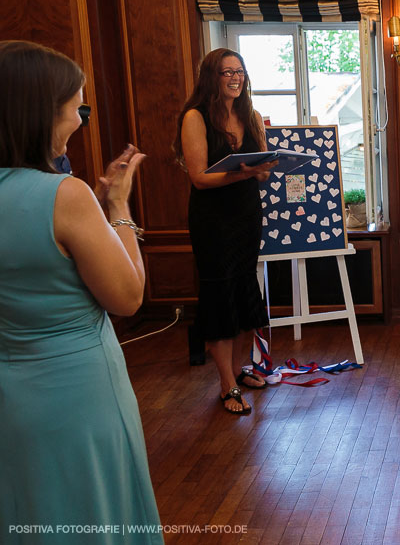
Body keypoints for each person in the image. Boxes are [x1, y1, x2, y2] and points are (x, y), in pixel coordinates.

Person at [0, 40, 162, 540]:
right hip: (77, 398)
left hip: (13, 397)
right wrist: (116, 209)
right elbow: (128, 296)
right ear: (40, 114)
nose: (80, 121)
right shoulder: (65, 196)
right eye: (76, 109)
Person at [175, 48, 275, 415]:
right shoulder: (195, 117)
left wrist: (265, 166)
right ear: (211, 77)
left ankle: (239, 369)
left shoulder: (251, 116)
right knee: (220, 294)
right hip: (213, 219)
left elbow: (262, 171)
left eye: (240, 71)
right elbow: (199, 178)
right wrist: (244, 172)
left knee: (245, 288)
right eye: (226, 72)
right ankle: (225, 385)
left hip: (247, 214)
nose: (235, 77)